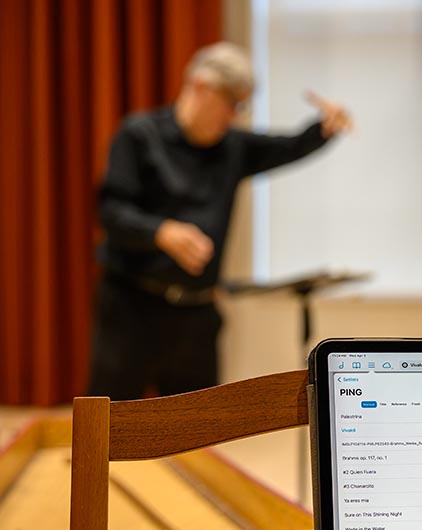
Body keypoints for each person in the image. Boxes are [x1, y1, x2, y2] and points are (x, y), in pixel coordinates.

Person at [87, 42, 352, 400]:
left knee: (196, 432)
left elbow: (287, 146)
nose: (234, 117)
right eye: (232, 104)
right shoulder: (139, 135)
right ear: (200, 87)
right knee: (111, 426)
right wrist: (161, 232)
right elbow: (111, 212)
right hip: (131, 307)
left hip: (197, 316)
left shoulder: (233, 148)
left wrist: (325, 128)